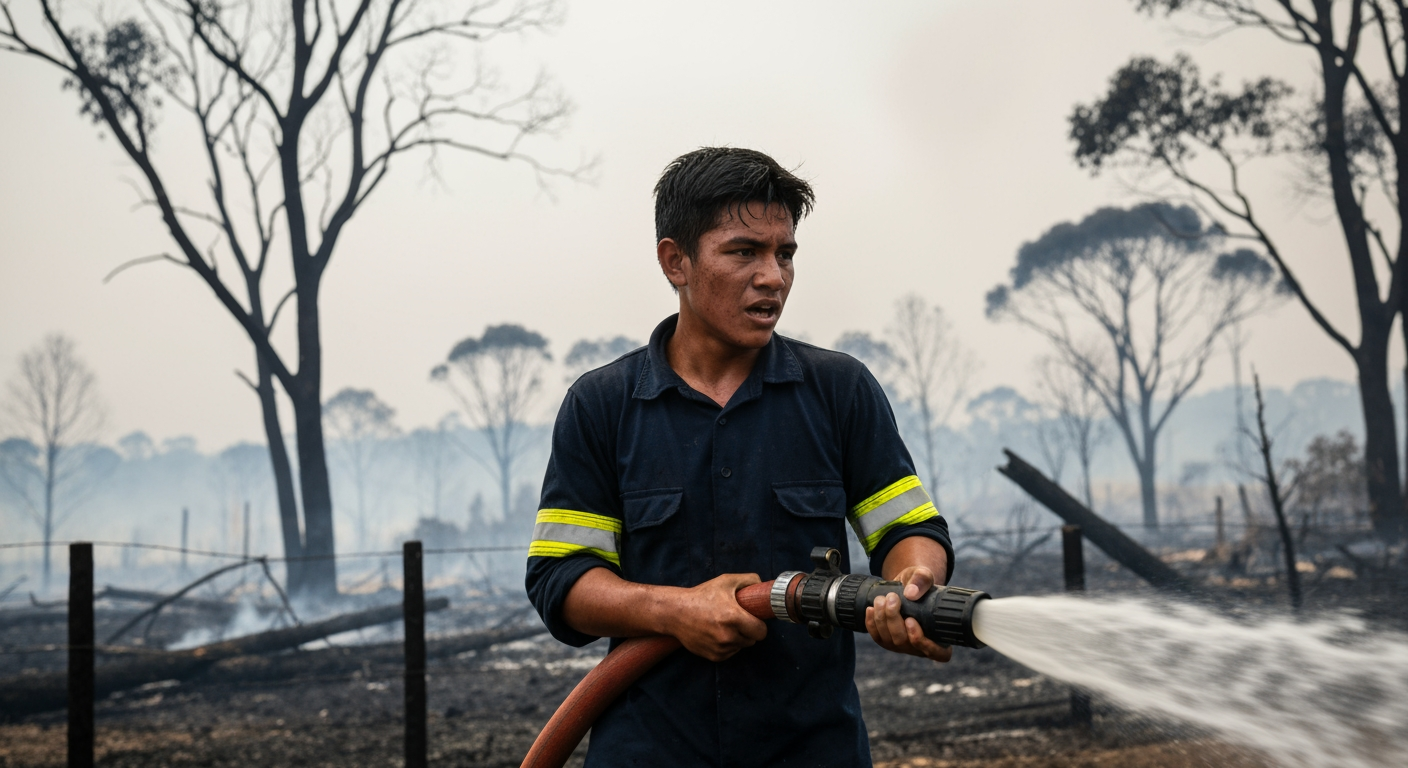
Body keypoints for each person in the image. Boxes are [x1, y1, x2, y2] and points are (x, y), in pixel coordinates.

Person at [526, 147, 955, 767]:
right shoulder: (603, 406)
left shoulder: (840, 391)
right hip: (650, 752)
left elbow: (908, 529)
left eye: (785, 254)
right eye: (743, 251)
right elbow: (561, 579)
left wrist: (915, 585)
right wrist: (677, 611)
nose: (773, 276)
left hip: (812, 752)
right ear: (675, 261)